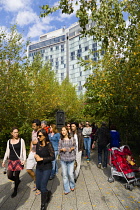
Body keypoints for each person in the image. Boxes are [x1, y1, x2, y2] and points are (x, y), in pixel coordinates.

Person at [2, 127, 26, 198]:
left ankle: (15, 190)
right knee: (9, 175)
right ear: (11, 133)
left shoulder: (21, 140)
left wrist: (24, 160)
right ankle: (17, 181)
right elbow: (7, 151)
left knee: (16, 175)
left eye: (17, 132)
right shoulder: (9, 141)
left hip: (18, 160)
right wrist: (4, 161)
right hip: (10, 161)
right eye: (15, 132)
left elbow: (24, 151)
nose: (16, 134)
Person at [34, 129, 55, 210]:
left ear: (45, 136)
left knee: (43, 186)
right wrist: (36, 156)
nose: (38, 137)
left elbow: (52, 157)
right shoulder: (38, 144)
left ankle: (43, 205)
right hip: (39, 167)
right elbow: (37, 154)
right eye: (37, 136)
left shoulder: (49, 144)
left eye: (40, 136)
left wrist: (42, 159)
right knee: (38, 186)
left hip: (47, 167)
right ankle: (47, 193)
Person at [58, 126, 76, 195]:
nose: (63, 132)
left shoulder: (72, 139)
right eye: (62, 130)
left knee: (70, 174)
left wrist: (72, 148)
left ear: (67, 131)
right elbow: (59, 148)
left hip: (71, 159)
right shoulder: (61, 140)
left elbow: (75, 147)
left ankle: (72, 185)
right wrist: (62, 149)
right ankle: (66, 189)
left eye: (64, 130)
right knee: (65, 175)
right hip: (63, 159)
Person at [26, 119, 41, 194]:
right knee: (28, 169)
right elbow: (31, 141)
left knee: (39, 171)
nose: (32, 127)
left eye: (34, 126)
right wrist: (30, 151)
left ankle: (38, 186)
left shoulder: (42, 132)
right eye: (32, 126)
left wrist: (37, 143)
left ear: (38, 126)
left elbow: (45, 142)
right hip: (32, 152)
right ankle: (35, 180)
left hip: (39, 153)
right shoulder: (33, 131)